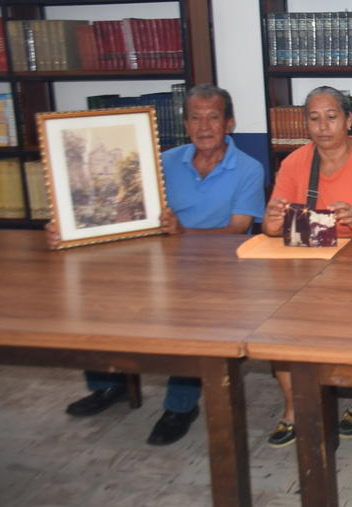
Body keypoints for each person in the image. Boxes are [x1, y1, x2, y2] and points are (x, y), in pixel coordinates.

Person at [55, 83, 266, 446]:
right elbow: (129, 210)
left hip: (221, 270)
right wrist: (71, 224)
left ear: (229, 123)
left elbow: (238, 230)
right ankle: (109, 385)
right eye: (195, 118)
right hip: (163, 262)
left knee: (192, 319)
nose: (204, 126)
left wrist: (183, 232)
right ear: (185, 124)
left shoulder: (248, 168)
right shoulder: (162, 161)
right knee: (100, 294)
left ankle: (180, 406)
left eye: (213, 118)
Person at [262, 86, 352, 447]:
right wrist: (272, 222)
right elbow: (274, 227)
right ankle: (295, 407)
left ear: (349, 120)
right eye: (314, 118)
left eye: (332, 116)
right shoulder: (294, 163)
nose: (323, 126)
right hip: (314, 259)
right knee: (280, 319)